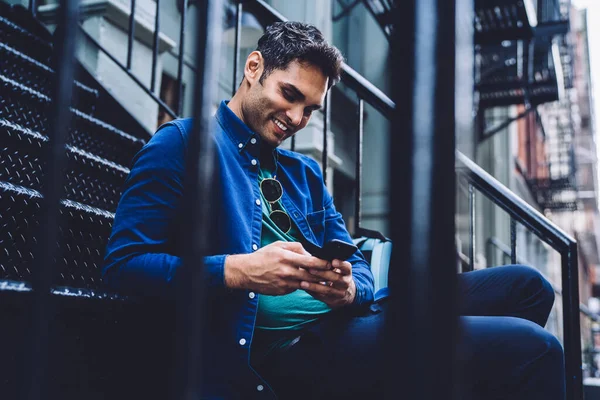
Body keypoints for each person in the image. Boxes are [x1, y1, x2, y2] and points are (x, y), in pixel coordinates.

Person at [103, 21, 566, 399]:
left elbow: (358, 265)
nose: (298, 119)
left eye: (310, 109)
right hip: (296, 351)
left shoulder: (302, 172)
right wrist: (238, 271)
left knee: (528, 287)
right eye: (290, 95)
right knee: (536, 349)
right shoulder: (182, 144)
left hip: (356, 314)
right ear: (253, 67)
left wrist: (349, 290)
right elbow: (124, 266)